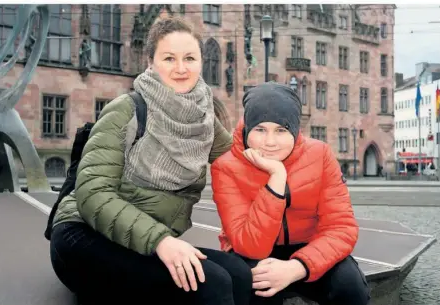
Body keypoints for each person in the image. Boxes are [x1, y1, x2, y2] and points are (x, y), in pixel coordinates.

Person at [49, 17, 253, 305]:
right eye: (169, 58)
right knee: (213, 284)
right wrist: (161, 241)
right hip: (83, 235)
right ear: (151, 61)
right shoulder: (128, 108)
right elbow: (92, 193)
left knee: (240, 274)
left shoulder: (204, 116)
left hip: (140, 240)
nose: (181, 68)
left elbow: (240, 164)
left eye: (189, 58)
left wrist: (276, 138)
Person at [211, 82, 371, 305]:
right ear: (247, 128)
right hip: (252, 250)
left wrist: (297, 268)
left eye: (281, 130)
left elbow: (341, 227)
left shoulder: (320, 155)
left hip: (311, 246)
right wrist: (276, 178)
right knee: (255, 285)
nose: (270, 142)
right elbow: (250, 245)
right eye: (260, 129)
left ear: (295, 132)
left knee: (349, 285)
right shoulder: (226, 167)